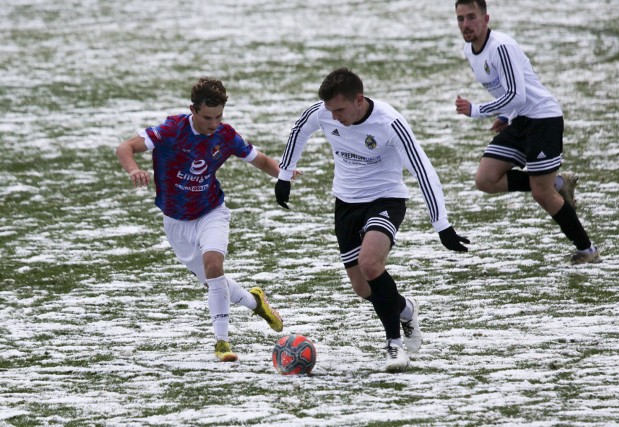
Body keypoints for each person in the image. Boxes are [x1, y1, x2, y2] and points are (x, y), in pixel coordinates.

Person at [275, 68, 469, 372]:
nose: (335, 117)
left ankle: (394, 345)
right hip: (346, 204)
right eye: (330, 111)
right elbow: (300, 128)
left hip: (385, 199)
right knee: (363, 288)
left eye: (340, 109)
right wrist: (284, 175)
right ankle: (404, 309)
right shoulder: (324, 112)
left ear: (359, 99)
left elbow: (423, 169)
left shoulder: (389, 122)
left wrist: (441, 224)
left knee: (370, 264)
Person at [116, 77, 292, 362]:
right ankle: (254, 301)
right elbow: (124, 148)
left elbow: (260, 160)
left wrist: (284, 174)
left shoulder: (225, 135)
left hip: (211, 211)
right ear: (192, 110)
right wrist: (133, 169)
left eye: (219, 116)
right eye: (208, 117)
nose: (214, 123)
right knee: (214, 281)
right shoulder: (171, 130)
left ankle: (222, 342)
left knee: (214, 265)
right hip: (175, 221)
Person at [454, 0, 601, 265]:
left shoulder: (501, 47)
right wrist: (505, 115)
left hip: (543, 119)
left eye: (471, 17)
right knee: (485, 179)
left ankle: (588, 250)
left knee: (541, 194)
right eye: (461, 19)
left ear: (486, 19)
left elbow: (517, 94)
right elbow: (507, 92)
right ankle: (557, 184)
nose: (466, 24)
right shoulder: (469, 50)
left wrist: (476, 109)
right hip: (520, 119)